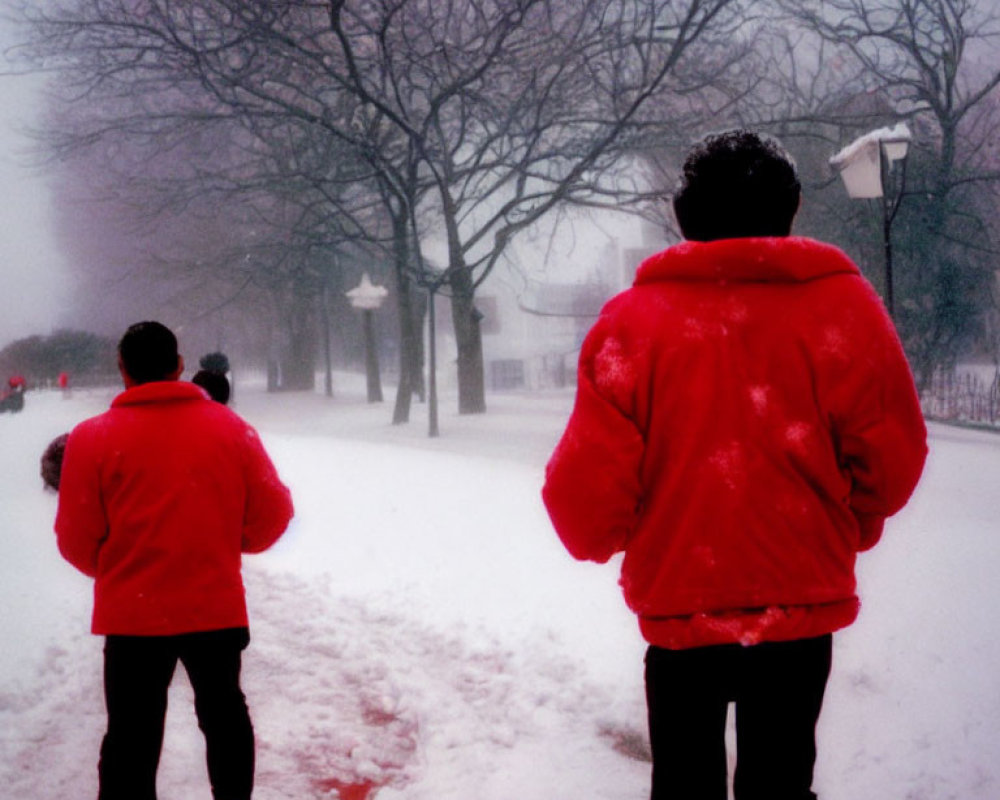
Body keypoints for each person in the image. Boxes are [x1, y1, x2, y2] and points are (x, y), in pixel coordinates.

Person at [542, 130, 927, 800]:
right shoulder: (845, 311)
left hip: (681, 603)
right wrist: (850, 522)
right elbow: (892, 461)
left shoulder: (632, 325)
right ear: (792, 207)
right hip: (800, 598)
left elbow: (584, 499)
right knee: (780, 778)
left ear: (684, 217)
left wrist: (616, 536)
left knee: (685, 780)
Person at [55, 321, 294, 800]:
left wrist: (120, 568)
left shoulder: (91, 438)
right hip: (214, 605)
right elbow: (273, 514)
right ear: (180, 365)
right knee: (225, 718)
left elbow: (76, 538)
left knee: (131, 735)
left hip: (132, 616)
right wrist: (224, 544)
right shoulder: (230, 429)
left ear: (123, 369)